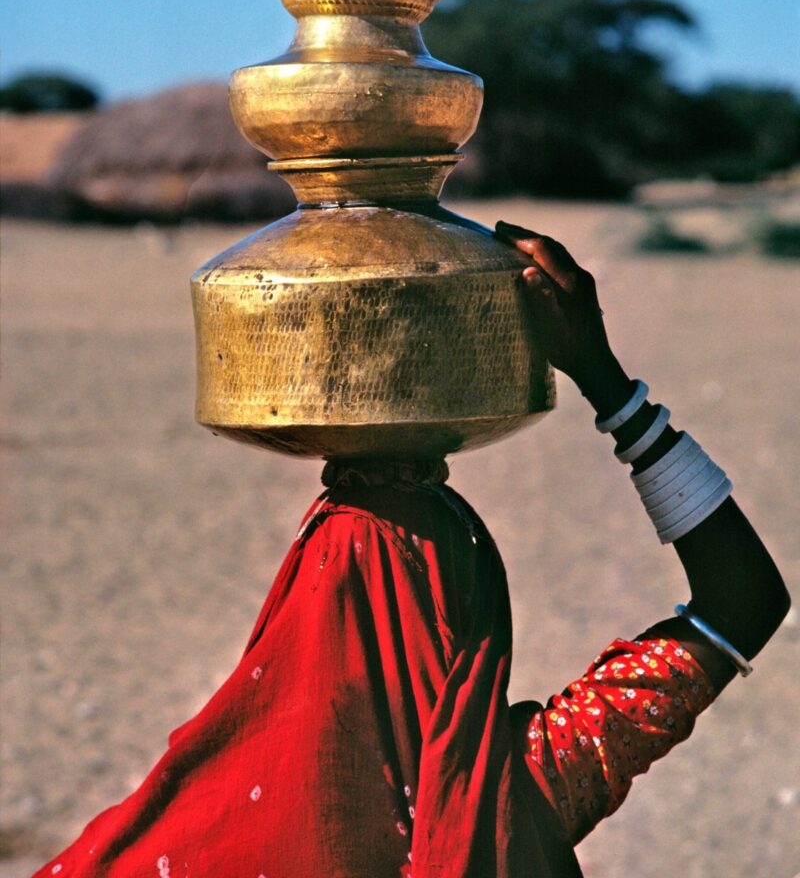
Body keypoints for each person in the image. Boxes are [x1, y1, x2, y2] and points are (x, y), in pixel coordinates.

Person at [33, 224, 789, 878]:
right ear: (472, 612)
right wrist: (606, 382)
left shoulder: (191, 817)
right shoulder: (524, 794)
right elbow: (745, 602)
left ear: (290, 614)